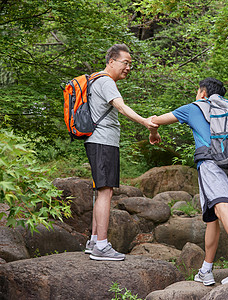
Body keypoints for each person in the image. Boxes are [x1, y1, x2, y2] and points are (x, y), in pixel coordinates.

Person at [148, 77, 228, 284]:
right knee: (212, 215)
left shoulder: (194, 107)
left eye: (197, 92)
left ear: (203, 93)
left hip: (210, 164)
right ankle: (206, 270)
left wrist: (153, 133)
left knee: (221, 208)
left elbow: (154, 120)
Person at [84, 44, 158, 261]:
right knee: (106, 191)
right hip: (103, 141)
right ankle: (101, 245)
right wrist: (145, 122)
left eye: (130, 64)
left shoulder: (96, 80)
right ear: (111, 62)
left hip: (98, 141)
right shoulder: (106, 81)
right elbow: (121, 107)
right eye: (125, 63)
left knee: (102, 190)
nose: (128, 68)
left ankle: (94, 241)